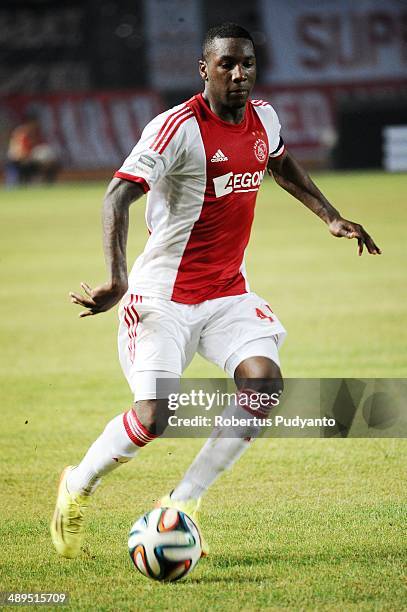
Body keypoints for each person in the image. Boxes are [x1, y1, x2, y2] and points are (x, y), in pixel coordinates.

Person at [50, 23, 381, 559]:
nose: (239, 73)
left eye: (247, 63)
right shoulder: (175, 129)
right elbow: (116, 196)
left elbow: (279, 163)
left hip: (227, 294)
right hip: (162, 297)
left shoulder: (263, 118)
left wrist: (331, 217)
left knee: (264, 385)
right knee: (155, 418)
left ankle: (182, 504)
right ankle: (79, 485)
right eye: (226, 63)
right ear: (204, 69)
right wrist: (117, 277)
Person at [6, 114, 59, 186]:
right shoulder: (22, 133)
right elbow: (17, 154)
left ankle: (46, 185)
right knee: (35, 164)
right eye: (34, 123)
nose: (36, 125)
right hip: (18, 162)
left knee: (51, 164)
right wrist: (32, 157)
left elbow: (38, 149)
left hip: (29, 160)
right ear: (29, 122)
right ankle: (33, 183)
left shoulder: (35, 133)